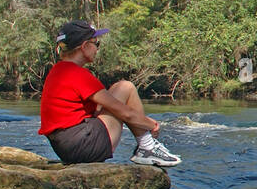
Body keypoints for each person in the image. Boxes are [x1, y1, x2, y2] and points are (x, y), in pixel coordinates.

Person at [38, 20, 181, 167]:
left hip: (65, 147)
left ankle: (146, 148)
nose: (97, 49)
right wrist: (151, 124)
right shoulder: (77, 74)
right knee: (126, 87)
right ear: (84, 46)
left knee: (116, 90)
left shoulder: (58, 71)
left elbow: (101, 106)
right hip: (82, 146)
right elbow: (124, 112)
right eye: (96, 43)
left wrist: (140, 120)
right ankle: (147, 147)